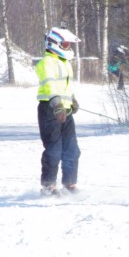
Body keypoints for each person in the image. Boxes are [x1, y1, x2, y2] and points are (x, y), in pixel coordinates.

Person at [35, 26, 82, 195]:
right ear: (54, 43)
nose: (68, 47)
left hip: (65, 110)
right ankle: (48, 186)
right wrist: (57, 104)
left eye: (69, 44)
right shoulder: (47, 62)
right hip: (50, 109)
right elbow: (49, 85)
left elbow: (65, 86)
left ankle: (69, 184)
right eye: (66, 44)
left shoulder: (64, 63)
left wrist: (72, 100)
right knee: (54, 150)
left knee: (72, 149)